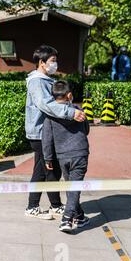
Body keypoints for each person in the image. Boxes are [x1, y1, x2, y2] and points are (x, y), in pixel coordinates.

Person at [24, 45, 86, 219]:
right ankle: (32, 207)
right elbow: (46, 105)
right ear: (42, 63)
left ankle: (55, 205)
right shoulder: (37, 82)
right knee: (43, 171)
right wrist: (71, 112)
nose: (55, 64)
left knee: (52, 170)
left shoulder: (46, 80)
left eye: (56, 60)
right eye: (52, 61)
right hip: (40, 134)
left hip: (48, 132)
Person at [42, 81, 90, 232]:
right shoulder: (78, 111)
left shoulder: (50, 115)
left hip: (62, 155)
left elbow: (47, 138)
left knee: (72, 187)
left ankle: (80, 217)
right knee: (74, 187)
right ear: (69, 95)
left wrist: (48, 158)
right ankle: (67, 218)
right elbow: (87, 129)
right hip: (79, 153)